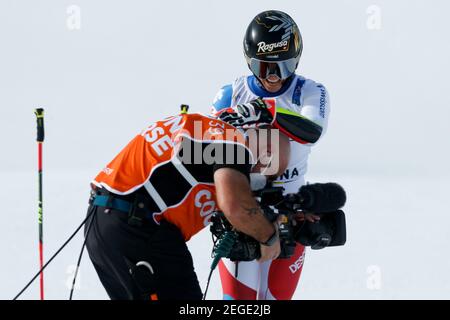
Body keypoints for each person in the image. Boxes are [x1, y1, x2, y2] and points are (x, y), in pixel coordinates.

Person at [85, 110, 291, 300]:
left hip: (103, 220)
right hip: (139, 226)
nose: (259, 180)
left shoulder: (202, 131)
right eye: (268, 173)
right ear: (266, 150)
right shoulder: (233, 141)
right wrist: (269, 237)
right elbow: (235, 206)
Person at [211, 10, 331, 300]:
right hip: (244, 210)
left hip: (291, 211)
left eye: (284, 67)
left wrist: (265, 111)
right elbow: (208, 151)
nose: (274, 77)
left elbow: (311, 131)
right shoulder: (230, 94)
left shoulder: (311, 92)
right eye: (264, 68)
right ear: (249, 61)